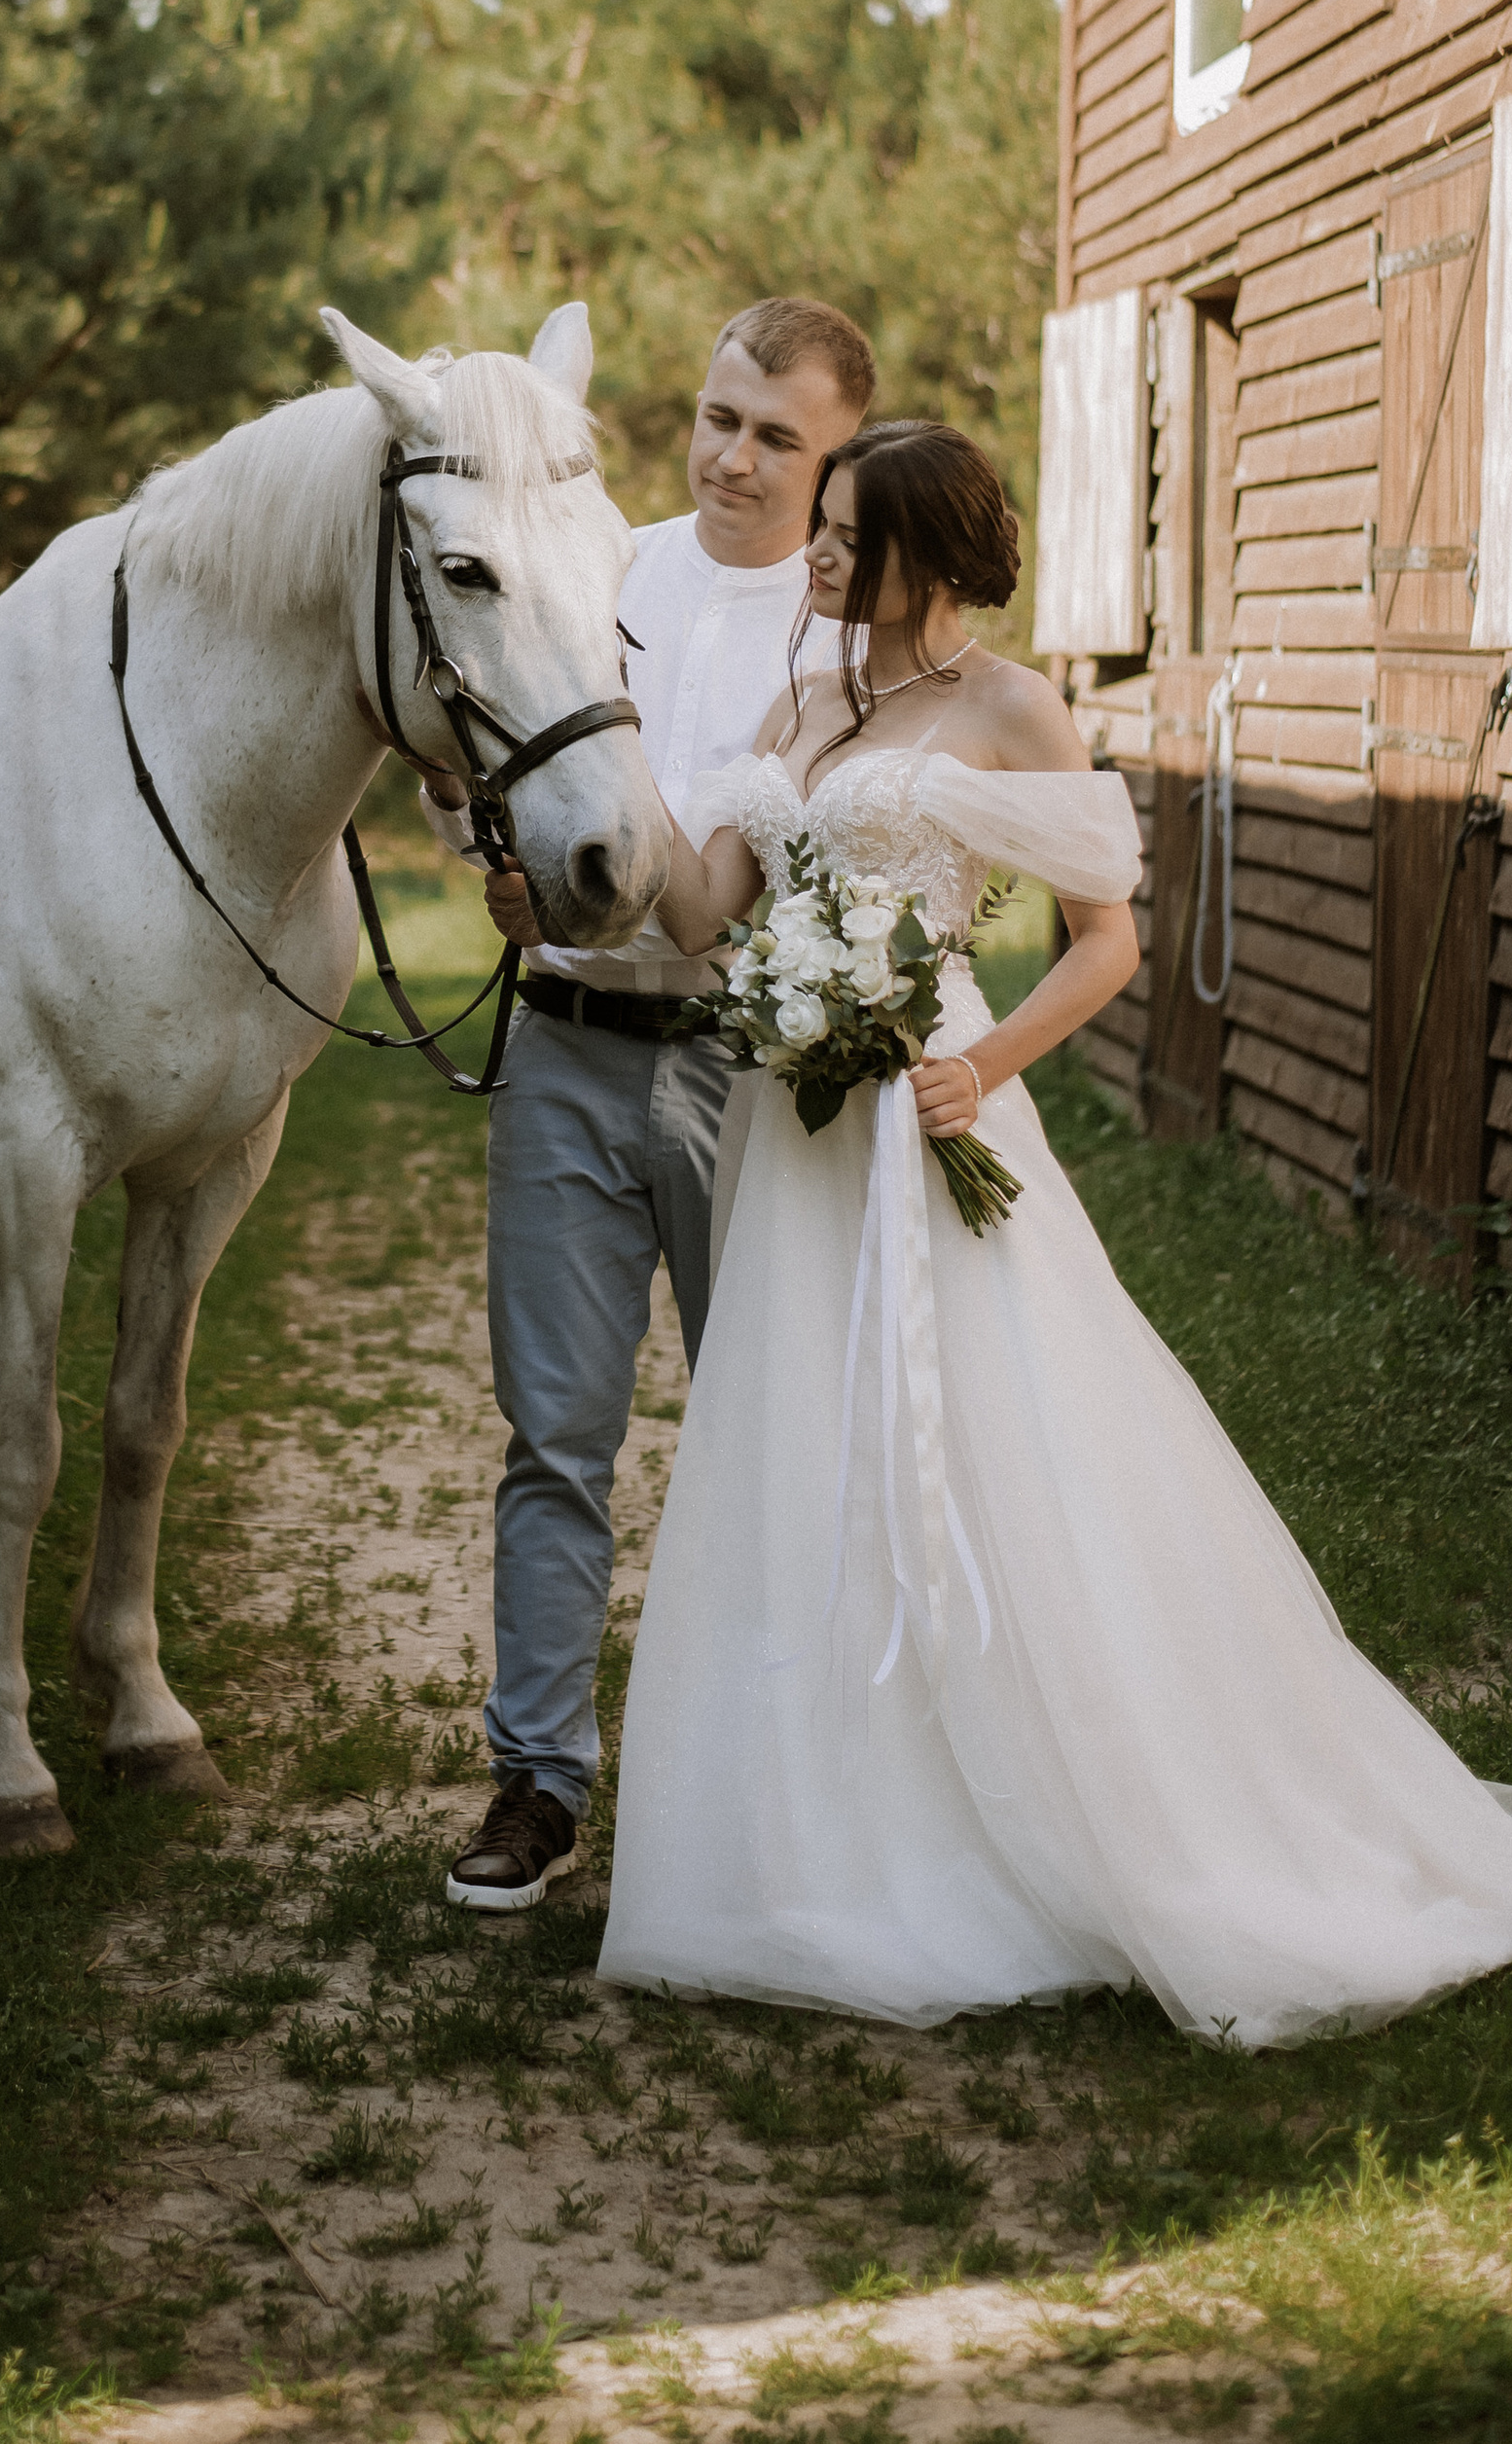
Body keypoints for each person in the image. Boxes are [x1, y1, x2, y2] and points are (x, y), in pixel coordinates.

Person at [598, 417, 1512, 2047]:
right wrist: (585, 830)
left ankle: (1065, 1802)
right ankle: (808, 1834)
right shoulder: (803, 698)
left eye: (847, 532)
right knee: (800, 1441)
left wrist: (978, 1061)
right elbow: (711, 907)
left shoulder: (1011, 706)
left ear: (926, 557)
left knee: (1010, 1442)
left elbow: (1108, 941)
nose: (813, 551)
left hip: (931, 1104)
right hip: (794, 1129)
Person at [429, 299, 878, 1915]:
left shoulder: (844, 638)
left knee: (768, 1432)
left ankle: (767, 1775)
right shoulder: (596, 561)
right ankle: (539, 1779)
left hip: (746, 1070)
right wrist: (489, 854)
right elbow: (482, 749)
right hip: (562, 1047)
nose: (732, 456)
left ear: (833, 464)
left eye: (777, 435)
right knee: (555, 1436)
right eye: (715, 415)